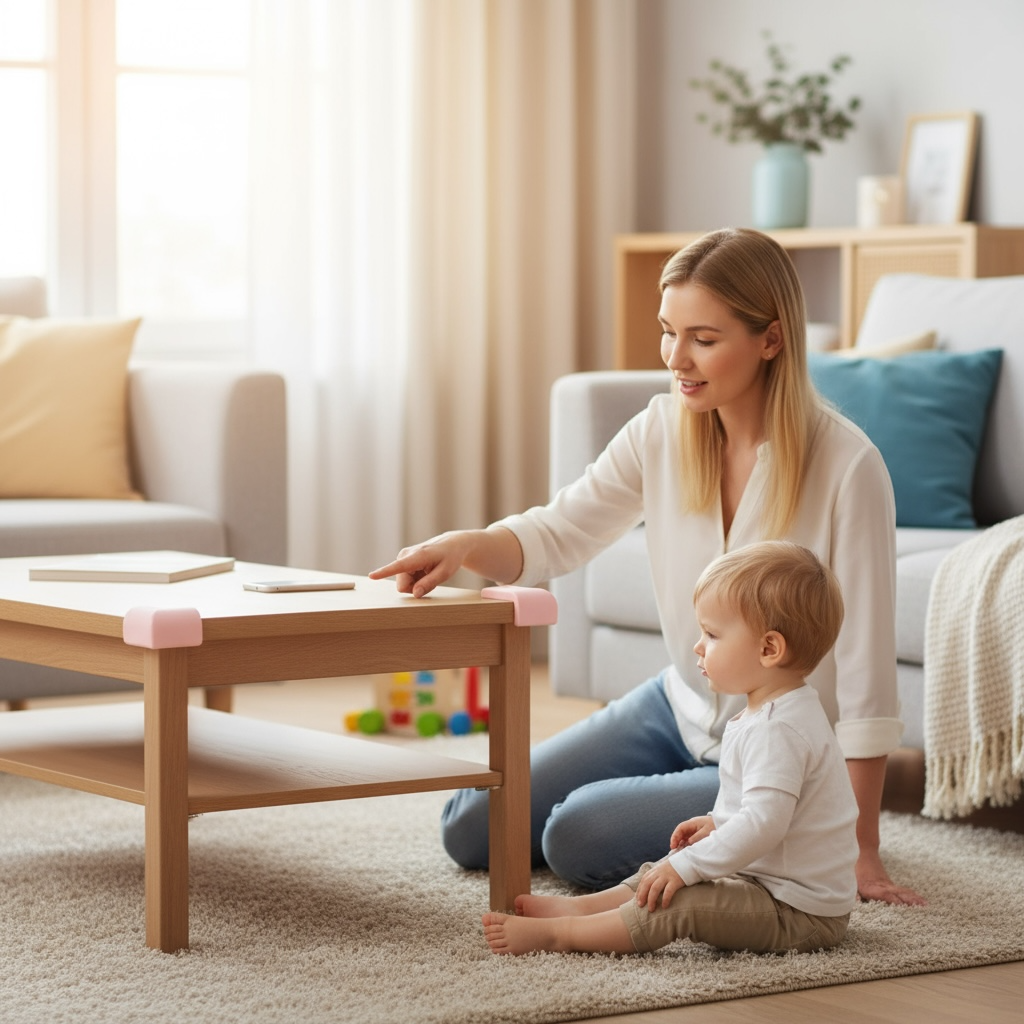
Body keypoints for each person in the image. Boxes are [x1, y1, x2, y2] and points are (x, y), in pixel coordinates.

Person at [370, 227, 924, 907]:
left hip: (779, 744)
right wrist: (466, 546)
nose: (675, 358)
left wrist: (859, 848)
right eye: (668, 332)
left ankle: (783, 825)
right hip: (677, 707)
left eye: (703, 339)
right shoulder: (659, 431)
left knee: (575, 838)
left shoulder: (848, 465)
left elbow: (866, 671)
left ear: (771, 339)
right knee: (471, 824)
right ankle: (732, 831)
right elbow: (561, 531)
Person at [482, 541, 858, 956]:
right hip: (763, 878)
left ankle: (564, 935)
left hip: (799, 912)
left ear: (769, 649)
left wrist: (690, 866)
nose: (698, 646)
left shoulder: (779, 729)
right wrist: (717, 822)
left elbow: (764, 823)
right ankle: (584, 908)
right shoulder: (770, 712)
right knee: (664, 869)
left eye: (712, 634)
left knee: (679, 897)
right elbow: (768, 810)